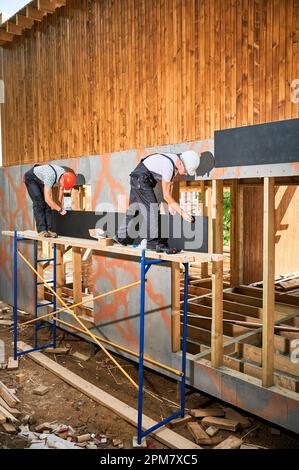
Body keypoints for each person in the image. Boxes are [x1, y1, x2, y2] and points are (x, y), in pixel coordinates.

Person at [114, 151, 200, 251]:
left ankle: (120, 236)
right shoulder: (169, 166)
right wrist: (183, 213)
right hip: (141, 180)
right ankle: (152, 242)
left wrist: (171, 205)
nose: (186, 173)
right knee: (152, 209)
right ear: (181, 163)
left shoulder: (174, 160)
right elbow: (166, 195)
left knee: (134, 210)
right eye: (186, 171)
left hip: (136, 177)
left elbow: (169, 184)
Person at [24, 163, 77, 238]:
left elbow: (61, 189)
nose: (62, 186)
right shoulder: (50, 177)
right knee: (39, 202)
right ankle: (41, 230)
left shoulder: (64, 175)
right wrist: (60, 210)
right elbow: (47, 199)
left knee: (48, 205)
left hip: (41, 179)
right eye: (63, 184)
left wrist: (60, 205)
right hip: (31, 178)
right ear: (62, 178)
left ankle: (48, 229)